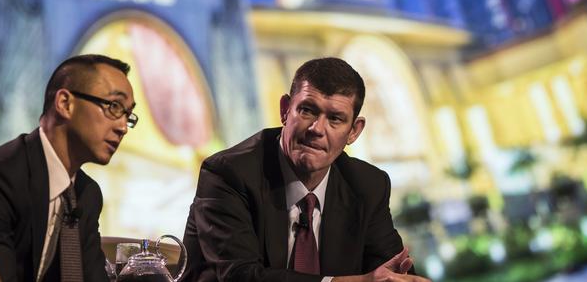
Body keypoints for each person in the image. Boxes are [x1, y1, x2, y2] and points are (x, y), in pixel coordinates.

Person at [183, 57, 430, 282]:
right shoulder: (228, 174)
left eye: (335, 119)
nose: (317, 129)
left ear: (354, 131)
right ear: (285, 110)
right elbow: (241, 277)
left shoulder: (367, 185)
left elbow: (388, 272)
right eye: (307, 110)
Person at [0, 54, 137, 281]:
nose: (123, 127)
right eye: (114, 106)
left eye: (128, 114)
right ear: (65, 103)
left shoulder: (87, 194)